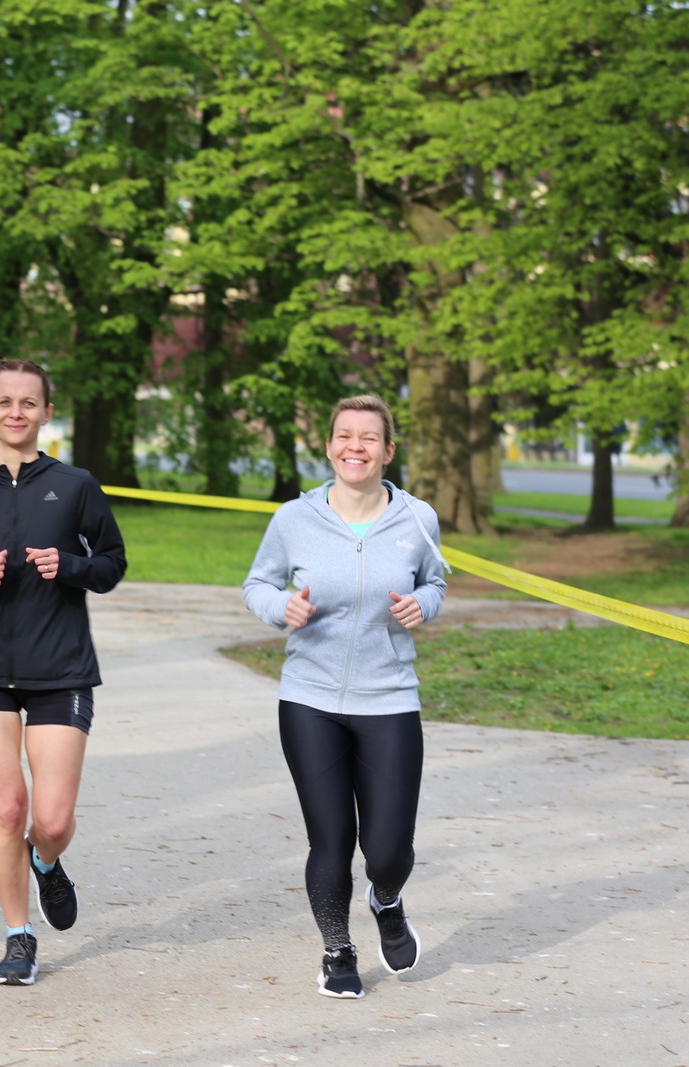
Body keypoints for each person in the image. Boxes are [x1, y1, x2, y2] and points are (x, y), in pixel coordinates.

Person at [0, 358, 126, 986]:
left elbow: (112, 565)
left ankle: (46, 860)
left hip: (60, 668)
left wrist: (68, 564)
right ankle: (18, 936)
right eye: (4, 401)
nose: (16, 412)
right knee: (9, 807)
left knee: (52, 820)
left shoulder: (77, 485)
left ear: (45, 413)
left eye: (28, 403)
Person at [241, 394, 449, 1000]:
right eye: (343, 436)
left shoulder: (417, 519)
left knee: (387, 849)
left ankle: (386, 899)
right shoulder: (293, 519)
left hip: (388, 699)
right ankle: (337, 951)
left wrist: (423, 606)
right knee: (330, 838)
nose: (354, 447)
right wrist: (283, 607)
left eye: (368, 438)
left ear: (388, 450)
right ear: (330, 445)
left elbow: (435, 583)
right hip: (310, 699)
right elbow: (256, 584)